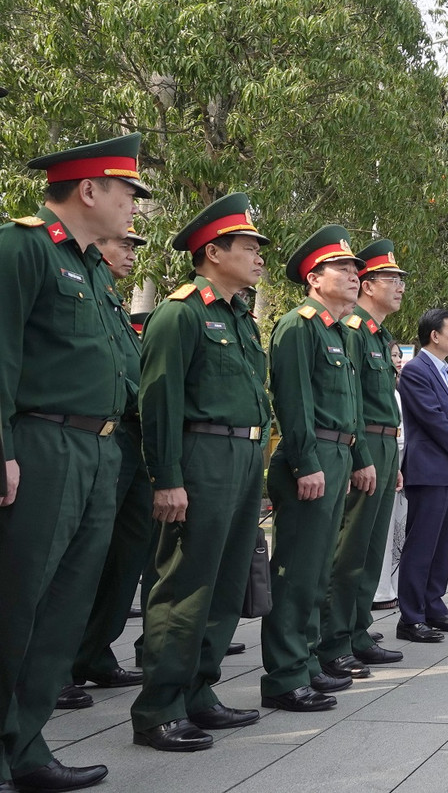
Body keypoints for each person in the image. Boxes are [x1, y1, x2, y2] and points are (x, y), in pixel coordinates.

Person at [0, 133, 149, 793]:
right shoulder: (23, 247)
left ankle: (26, 745)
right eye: (127, 193)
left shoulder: (92, 268)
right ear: (88, 189)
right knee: (16, 601)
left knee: (64, 606)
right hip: (40, 442)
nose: (133, 209)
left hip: (99, 448)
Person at [129, 193, 272, 752]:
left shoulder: (238, 316)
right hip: (200, 459)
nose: (258, 256)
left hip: (240, 459)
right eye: (248, 247)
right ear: (213, 251)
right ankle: (159, 706)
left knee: (226, 583)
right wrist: (166, 477)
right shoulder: (180, 312)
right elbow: (158, 402)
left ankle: (199, 691)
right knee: (184, 584)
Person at [260, 226, 366, 714]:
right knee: (297, 572)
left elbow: (350, 407)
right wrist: (305, 461)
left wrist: (354, 457)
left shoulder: (336, 333)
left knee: (318, 570)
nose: (353, 274)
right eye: (342, 268)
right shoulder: (297, 326)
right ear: (313, 278)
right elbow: (294, 401)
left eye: (354, 269)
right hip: (313, 457)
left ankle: (304, 663)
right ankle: (285, 676)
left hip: (336, 456)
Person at [318, 240, 408, 678]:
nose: (399, 287)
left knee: (372, 549)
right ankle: (334, 640)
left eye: (400, 280)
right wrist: (360, 455)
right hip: (364, 445)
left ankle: (356, 630)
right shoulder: (353, 330)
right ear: (367, 285)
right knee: (350, 548)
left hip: (386, 446)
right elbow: (350, 402)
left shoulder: (379, 334)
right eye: (390, 279)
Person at [71, 228, 152, 695]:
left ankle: (95, 651)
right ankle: (61, 665)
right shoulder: (87, 290)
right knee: (89, 557)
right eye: (122, 244)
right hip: (106, 434)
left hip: (132, 437)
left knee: (126, 556)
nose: (129, 254)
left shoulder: (112, 299)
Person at [396, 309, 448, 641]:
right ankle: (411, 617)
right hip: (430, 469)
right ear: (435, 335)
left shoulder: (446, 372)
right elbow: (433, 419)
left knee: (444, 543)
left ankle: (434, 608)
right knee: (422, 544)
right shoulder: (417, 371)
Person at [373, 341, 407, 611]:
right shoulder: (384, 388)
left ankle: (390, 587)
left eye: (398, 355)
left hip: (400, 457)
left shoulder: (397, 389)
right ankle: (379, 591)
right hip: (383, 453)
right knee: (379, 533)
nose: (396, 359)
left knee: (396, 529)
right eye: (392, 354)